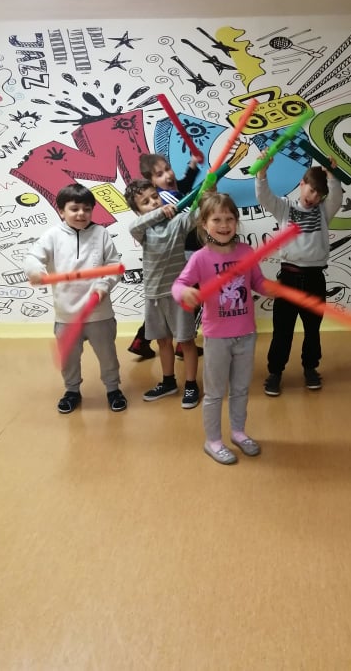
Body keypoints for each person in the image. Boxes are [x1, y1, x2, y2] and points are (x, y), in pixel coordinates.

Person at [172, 192, 269, 465]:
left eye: (229, 219)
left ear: (236, 221)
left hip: (246, 333)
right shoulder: (200, 258)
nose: (224, 225)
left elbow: (257, 282)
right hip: (216, 337)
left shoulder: (246, 252)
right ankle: (213, 441)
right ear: (204, 224)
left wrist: (270, 288)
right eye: (217, 219)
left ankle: (238, 432)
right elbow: (179, 285)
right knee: (215, 393)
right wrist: (185, 293)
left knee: (241, 389)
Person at [23, 184, 127, 414]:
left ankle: (113, 389)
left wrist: (103, 286)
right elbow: (33, 258)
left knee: (108, 356)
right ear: (61, 211)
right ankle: (72, 391)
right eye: (74, 209)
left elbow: (113, 266)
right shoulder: (52, 235)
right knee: (69, 359)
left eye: (87, 209)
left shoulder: (101, 234)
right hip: (67, 316)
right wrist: (35, 271)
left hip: (99, 314)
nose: (81, 213)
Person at [255, 159, 343, 396]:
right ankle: (275, 372)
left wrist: (331, 175)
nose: (313, 197)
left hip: (314, 279)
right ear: (302, 184)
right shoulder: (285, 208)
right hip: (288, 279)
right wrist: (262, 173)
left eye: (319, 194)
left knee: (312, 330)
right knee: (282, 331)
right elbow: (264, 197)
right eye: (311, 190)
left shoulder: (323, 212)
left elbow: (336, 198)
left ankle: (310, 368)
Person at [125, 179, 200, 408]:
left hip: (178, 295)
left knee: (186, 341)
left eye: (155, 197)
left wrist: (207, 193)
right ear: (138, 210)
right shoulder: (143, 230)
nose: (153, 203)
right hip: (154, 296)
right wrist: (160, 212)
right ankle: (168, 382)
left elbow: (198, 215)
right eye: (145, 202)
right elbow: (133, 227)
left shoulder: (178, 222)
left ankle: (191, 384)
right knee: (163, 341)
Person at [127, 153, 200, 361]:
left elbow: (184, 186)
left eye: (167, 169)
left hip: (186, 253)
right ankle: (182, 342)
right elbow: (187, 197)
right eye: (159, 174)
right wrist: (204, 189)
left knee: (174, 304)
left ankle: (142, 340)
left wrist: (192, 166)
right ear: (151, 182)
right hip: (183, 253)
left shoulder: (170, 193)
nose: (167, 176)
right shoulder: (165, 200)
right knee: (189, 298)